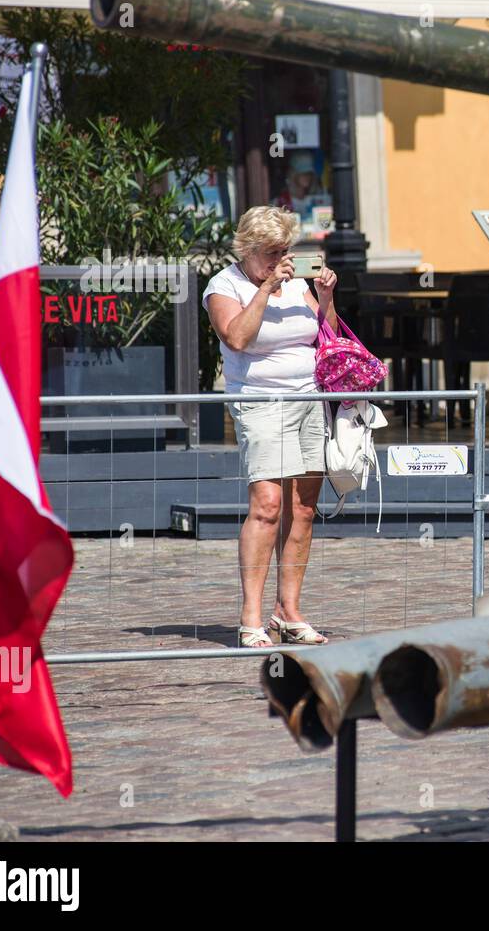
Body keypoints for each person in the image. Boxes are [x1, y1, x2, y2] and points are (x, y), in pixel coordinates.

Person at [203, 206, 338, 648]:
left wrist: (326, 297)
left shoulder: (297, 282)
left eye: (286, 250)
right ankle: (251, 617)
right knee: (267, 503)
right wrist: (265, 289)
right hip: (260, 402)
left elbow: (327, 337)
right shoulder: (225, 285)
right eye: (271, 252)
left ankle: (289, 611)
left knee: (303, 507)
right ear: (247, 249)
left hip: (309, 398)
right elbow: (237, 337)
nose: (280, 259)